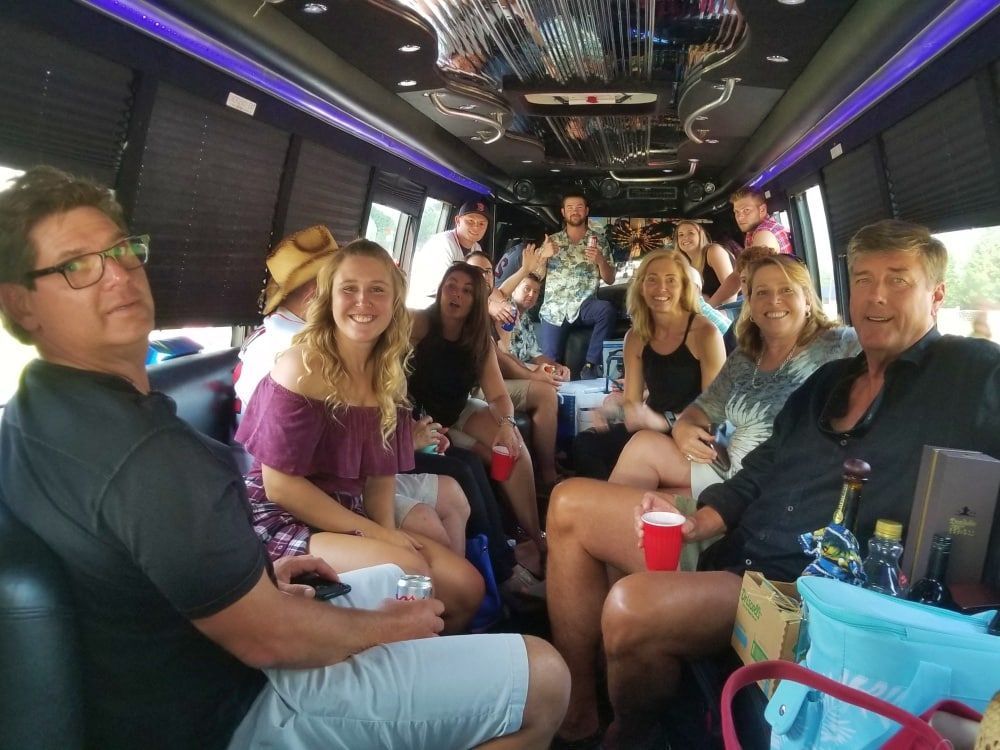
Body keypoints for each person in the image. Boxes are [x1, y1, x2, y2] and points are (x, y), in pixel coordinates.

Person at [0, 166, 570, 750]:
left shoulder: (36, 415)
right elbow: (267, 635)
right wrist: (383, 625)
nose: (118, 275)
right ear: (19, 304)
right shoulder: (144, 455)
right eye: (77, 266)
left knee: (437, 575)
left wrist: (263, 578)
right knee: (546, 677)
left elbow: (144, 577)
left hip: (222, 640)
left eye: (122, 250)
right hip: (241, 704)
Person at [546, 219, 999, 749]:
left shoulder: (972, 373)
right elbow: (763, 464)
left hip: (809, 586)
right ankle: (578, 708)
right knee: (568, 502)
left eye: (898, 279)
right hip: (741, 542)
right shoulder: (831, 381)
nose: (876, 296)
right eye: (863, 279)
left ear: (937, 295)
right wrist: (704, 519)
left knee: (631, 606)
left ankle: (633, 731)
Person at [236, 239, 484, 631]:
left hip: (345, 509)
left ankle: (421, 660)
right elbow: (280, 487)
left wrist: (386, 531)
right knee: (409, 571)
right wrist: (377, 535)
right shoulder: (302, 366)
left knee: (468, 587)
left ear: (395, 301)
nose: (363, 302)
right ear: (329, 297)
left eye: (377, 290)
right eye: (349, 288)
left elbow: (380, 477)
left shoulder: (389, 374)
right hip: (281, 517)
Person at [609, 253, 858, 498]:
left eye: (786, 290)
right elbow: (704, 409)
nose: (774, 301)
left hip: (776, 490)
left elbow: (879, 349)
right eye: (762, 292)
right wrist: (683, 427)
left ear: (807, 300)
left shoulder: (839, 344)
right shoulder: (746, 356)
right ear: (751, 304)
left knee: (617, 501)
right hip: (730, 471)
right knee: (638, 454)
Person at [409, 262, 547, 578]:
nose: (456, 294)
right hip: (423, 419)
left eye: (467, 290)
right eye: (451, 286)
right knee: (480, 457)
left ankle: (534, 536)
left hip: (457, 410)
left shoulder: (478, 340)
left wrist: (507, 425)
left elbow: (498, 396)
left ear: (476, 300)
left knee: (512, 448)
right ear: (440, 290)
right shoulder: (419, 323)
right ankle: (502, 554)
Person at [571, 250, 726, 481]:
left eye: (671, 280)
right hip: (649, 425)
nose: (661, 288)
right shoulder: (635, 337)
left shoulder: (705, 333)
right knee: (585, 444)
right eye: (652, 279)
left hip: (692, 431)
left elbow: (715, 409)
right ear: (641, 287)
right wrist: (612, 410)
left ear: (683, 287)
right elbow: (632, 402)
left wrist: (664, 421)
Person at [467, 252, 566, 491]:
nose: (483, 277)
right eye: (476, 272)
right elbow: (500, 358)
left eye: (487, 272)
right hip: (473, 389)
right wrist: (533, 375)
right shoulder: (470, 308)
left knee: (548, 389)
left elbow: (505, 354)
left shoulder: (496, 307)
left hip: (493, 382)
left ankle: (549, 467)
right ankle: (548, 477)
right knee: (545, 392)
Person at [536, 193, 617, 379]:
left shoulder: (599, 241)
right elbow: (536, 276)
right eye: (570, 207)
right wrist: (543, 256)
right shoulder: (552, 241)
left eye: (579, 207)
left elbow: (610, 279)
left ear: (586, 211)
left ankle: (591, 365)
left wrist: (600, 260)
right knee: (549, 366)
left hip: (584, 305)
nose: (575, 211)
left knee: (607, 310)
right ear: (563, 212)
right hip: (554, 308)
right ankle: (552, 392)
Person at [713, 187, 795, 305]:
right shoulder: (753, 231)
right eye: (737, 212)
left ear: (762, 210)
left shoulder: (764, 233)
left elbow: (742, 276)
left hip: (776, 303)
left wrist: (708, 307)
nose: (740, 217)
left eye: (746, 210)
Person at [406, 198, 490, 309]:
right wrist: (488, 304)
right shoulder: (443, 243)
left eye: (481, 224)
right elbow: (448, 288)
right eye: (470, 221)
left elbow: (481, 283)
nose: (476, 227)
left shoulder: (476, 248)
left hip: (451, 304)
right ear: (457, 221)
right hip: (426, 306)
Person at [673, 220, 735, 306]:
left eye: (691, 233)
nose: (685, 237)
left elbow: (732, 287)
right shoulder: (685, 263)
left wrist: (710, 309)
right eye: (681, 235)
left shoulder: (713, 251)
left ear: (701, 236)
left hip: (732, 306)